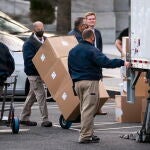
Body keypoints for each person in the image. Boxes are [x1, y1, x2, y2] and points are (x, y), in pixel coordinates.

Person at [68, 28, 130, 144]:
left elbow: (69, 69)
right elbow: (105, 62)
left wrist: (73, 85)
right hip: (89, 82)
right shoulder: (92, 50)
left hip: (77, 82)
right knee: (88, 110)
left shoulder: (72, 50)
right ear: (92, 37)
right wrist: (122, 62)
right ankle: (85, 136)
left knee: (85, 109)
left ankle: (89, 134)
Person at [20, 21, 52, 127]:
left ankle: (23, 117)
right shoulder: (28, 44)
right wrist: (41, 73)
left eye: (42, 28)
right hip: (34, 74)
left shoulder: (46, 40)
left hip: (44, 72)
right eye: (39, 29)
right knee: (41, 94)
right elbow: (30, 62)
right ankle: (45, 119)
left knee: (32, 95)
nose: (41, 31)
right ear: (34, 30)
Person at [84, 11, 106, 115]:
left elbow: (100, 47)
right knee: (90, 87)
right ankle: (90, 109)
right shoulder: (83, 32)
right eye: (90, 19)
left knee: (99, 85)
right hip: (88, 63)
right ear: (86, 20)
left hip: (97, 62)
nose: (92, 20)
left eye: (93, 19)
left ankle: (98, 108)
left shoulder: (97, 32)